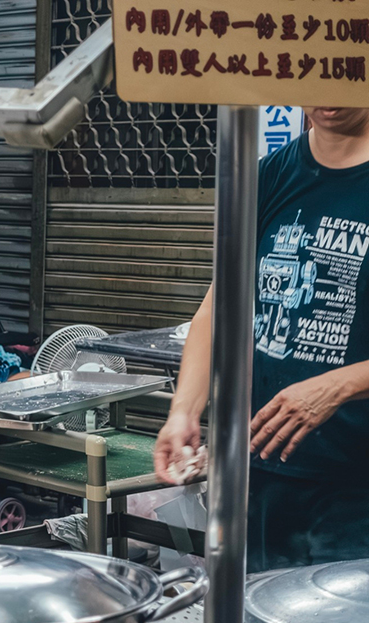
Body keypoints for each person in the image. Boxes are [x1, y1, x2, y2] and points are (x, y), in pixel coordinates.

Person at [154, 107, 369, 572]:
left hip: (356, 489)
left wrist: (340, 384)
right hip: (260, 474)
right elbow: (218, 308)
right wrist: (184, 411)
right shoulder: (268, 176)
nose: (326, 94)